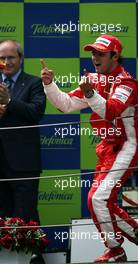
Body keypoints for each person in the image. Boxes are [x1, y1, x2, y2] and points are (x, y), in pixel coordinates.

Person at [41, 34, 138, 262]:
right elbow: (66, 104)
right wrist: (49, 84)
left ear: (115, 56)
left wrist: (89, 93)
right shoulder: (94, 81)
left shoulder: (127, 83)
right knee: (95, 199)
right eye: (93, 52)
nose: (95, 57)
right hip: (107, 148)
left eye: (100, 53)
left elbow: (111, 111)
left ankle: (121, 246)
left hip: (127, 145)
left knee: (98, 198)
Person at [0, 40, 46, 264]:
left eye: (11, 57)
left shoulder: (34, 83)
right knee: (4, 221)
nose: (6, 62)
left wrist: (8, 101)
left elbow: (36, 112)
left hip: (23, 164)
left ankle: (34, 260)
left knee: (24, 217)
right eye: (2, 58)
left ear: (20, 59)